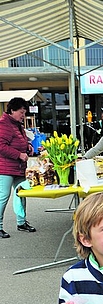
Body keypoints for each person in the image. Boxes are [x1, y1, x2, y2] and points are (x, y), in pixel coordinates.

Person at [0, 97, 36, 238]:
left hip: (18, 167)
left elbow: (20, 141)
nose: (23, 115)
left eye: (24, 112)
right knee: (3, 197)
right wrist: (19, 155)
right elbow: (1, 146)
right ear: (12, 110)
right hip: (5, 168)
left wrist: (28, 147)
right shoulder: (4, 124)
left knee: (21, 194)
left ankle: (21, 222)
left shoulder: (17, 125)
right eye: (21, 112)